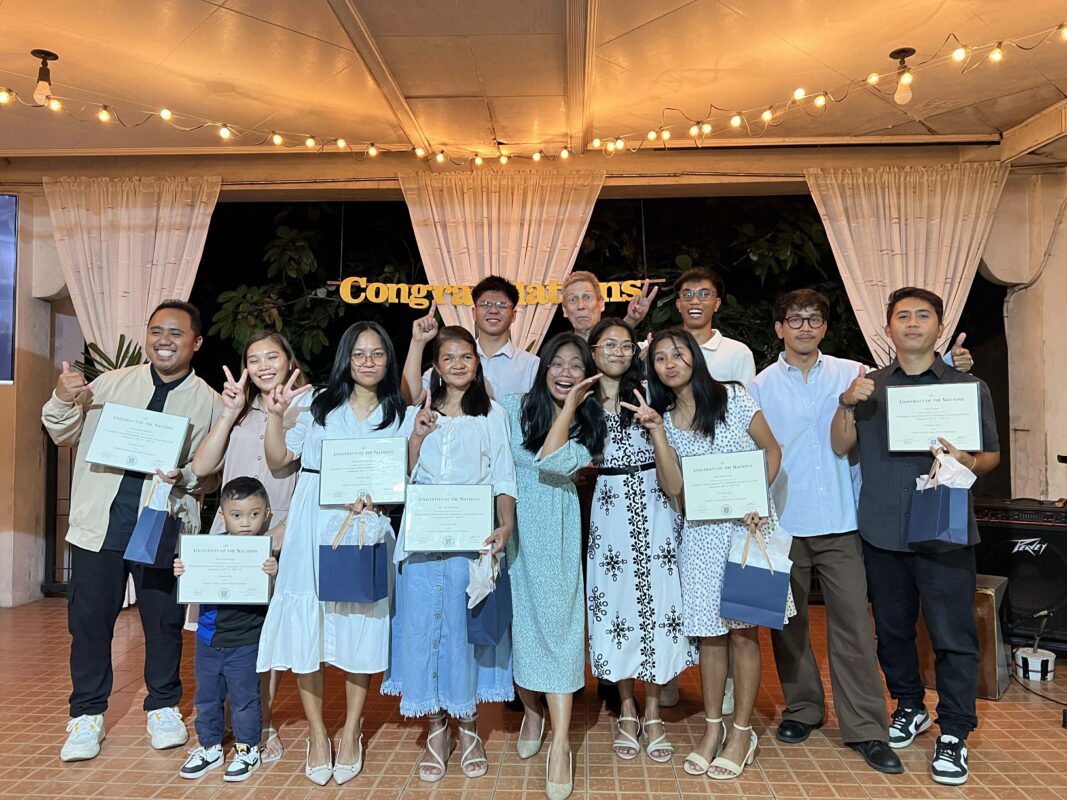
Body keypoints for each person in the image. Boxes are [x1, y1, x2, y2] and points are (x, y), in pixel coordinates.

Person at [831, 287, 1000, 787]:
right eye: (902, 316)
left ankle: (955, 730)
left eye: (922, 315)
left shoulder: (967, 386)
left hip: (945, 531)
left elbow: (991, 455)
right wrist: (845, 404)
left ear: (938, 327)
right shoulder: (869, 387)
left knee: (953, 636)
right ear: (888, 328)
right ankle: (909, 705)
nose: (911, 323)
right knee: (893, 631)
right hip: (883, 530)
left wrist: (967, 460)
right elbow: (841, 445)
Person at [43, 300, 222, 763]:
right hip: (98, 526)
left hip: (160, 527)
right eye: (157, 330)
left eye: (176, 333)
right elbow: (62, 432)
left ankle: (162, 707)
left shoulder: (209, 402)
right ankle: (87, 715)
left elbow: (210, 475)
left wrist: (183, 476)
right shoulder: (110, 384)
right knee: (89, 622)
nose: (165, 340)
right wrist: (62, 396)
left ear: (196, 343)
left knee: (163, 623)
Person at [749, 290, 902, 775]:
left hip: (841, 519)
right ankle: (803, 709)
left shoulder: (853, 372)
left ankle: (867, 727)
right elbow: (751, 453)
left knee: (853, 624)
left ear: (824, 327)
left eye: (814, 319)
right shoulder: (759, 385)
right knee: (788, 625)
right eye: (795, 319)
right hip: (782, 521)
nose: (805, 327)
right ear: (779, 328)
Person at [256, 321, 408, 786]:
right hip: (312, 520)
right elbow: (279, 461)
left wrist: (381, 500)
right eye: (359, 353)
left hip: (365, 525)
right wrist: (276, 416)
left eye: (377, 353)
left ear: (388, 360)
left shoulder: (398, 413)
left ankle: (352, 729)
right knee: (311, 624)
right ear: (346, 358)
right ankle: (318, 733)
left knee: (360, 622)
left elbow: (402, 477)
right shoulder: (317, 402)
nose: (367, 361)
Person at [635, 327, 790, 781]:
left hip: (747, 530)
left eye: (678, 353)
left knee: (744, 633)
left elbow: (772, 450)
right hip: (700, 536)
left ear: (695, 358)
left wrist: (758, 498)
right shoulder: (663, 417)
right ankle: (712, 729)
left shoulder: (733, 397)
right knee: (710, 637)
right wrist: (657, 433)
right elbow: (675, 489)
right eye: (660, 357)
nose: (670, 363)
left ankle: (742, 733)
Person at [384, 325, 518, 783]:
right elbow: (398, 480)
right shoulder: (417, 413)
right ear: (436, 367)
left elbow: (503, 476)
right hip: (421, 542)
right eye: (449, 357)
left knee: (464, 632)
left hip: (470, 542)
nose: (458, 364)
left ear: (476, 363)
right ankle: (436, 728)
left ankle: (469, 724)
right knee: (424, 628)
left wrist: (505, 524)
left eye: (466, 356)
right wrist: (416, 439)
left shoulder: (492, 414)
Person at [585, 318, 698, 764]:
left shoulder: (652, 393)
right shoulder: (582, 399)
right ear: (593, 350)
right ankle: (627, 709)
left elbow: (674, 467)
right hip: (609, 509)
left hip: (655, 506)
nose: (618, 351)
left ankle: (653, 712)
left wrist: (655, 426)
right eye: (608, 344)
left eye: (626, 345)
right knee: (616, 607)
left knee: (659, 605)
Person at [190, 331, 305, 763]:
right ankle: (224, 721)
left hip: (277, 533)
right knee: (222, 630)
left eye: (271, 357)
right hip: (228, 538)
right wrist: (229, 413)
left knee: (264, 636)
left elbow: (312, 474)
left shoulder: (310, 406)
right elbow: (202, 467)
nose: (263, 366)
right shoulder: (238, 409)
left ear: (289, 359)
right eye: (254, 359)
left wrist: (285, 529)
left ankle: (262, 723)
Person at [503, 333, 605, 800]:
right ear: (543, 368)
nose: (566, 373)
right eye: (557, 364)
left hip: (556, 528)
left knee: (561, 631)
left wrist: (571, 406)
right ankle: (532, 711)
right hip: (512, 527)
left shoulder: (589, 423)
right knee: (519, 630)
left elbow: (549, 459)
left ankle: (561, 743)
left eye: (576, 366)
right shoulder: (511, 407)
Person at [174, 477, 279, 782]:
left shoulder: (265, 554)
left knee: (244, 699)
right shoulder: (207, 549)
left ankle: (247, 749)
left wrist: (274, 574)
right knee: (206, 697)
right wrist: (183, 570)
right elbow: (192, 581)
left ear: (267, 514)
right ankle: (209, 747)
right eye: (236, 515)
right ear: (222, 515)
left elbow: (276, 598)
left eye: (254, 514)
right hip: (207, 639)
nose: (245, 522)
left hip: (245, 642)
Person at [402, 276, 540, 404]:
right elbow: (411, 399)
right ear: (474, 313)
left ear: (514, 315)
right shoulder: (453, 362)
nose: (493, 310)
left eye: (502, 305)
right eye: (485, 304)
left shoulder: (532, 366)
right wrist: (417, 342)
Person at [672, 267, 755, 385]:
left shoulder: (738, 353)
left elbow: (746, 396)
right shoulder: (660, 349)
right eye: (687, 294)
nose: (694, 301)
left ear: (716, 304)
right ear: (679, 304)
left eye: (704, 294)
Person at [559, 270, 657, 340]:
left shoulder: (630, 351)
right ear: (564, 310)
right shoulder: (557, 354)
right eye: (573, 299)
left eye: (587, 297)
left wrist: (632, 319)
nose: (581, 306)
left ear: (601, 304)